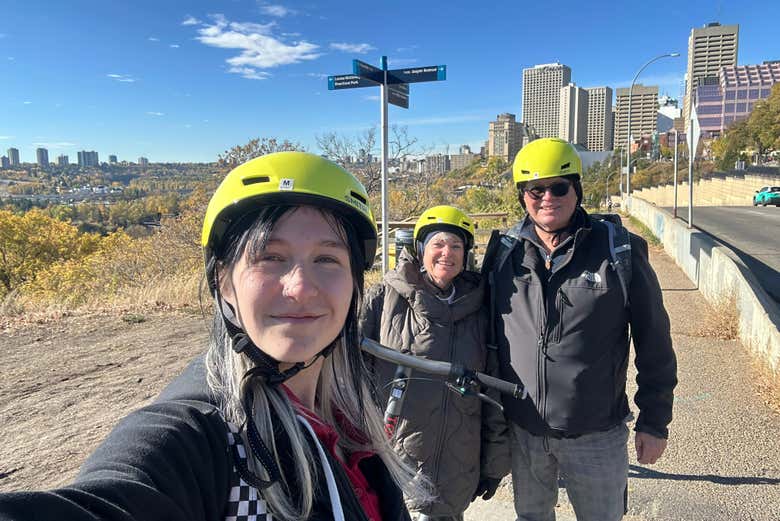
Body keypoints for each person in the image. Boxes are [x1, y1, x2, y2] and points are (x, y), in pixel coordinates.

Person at [0, 151, 429, 521]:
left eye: (327, 259)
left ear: (355, 280)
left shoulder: (351, 411)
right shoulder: (200, 435)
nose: (299, 286)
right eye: (270, 257)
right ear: (224, 281)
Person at [482, 138, 677, 521]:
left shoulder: (618, 250)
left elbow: (654, 340)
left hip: (596, 434)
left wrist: (655, 421)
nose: (547, 197)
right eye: (535, 189)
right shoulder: (504, 252)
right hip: (524, 431)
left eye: (559, 187)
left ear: (577, 190)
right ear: (522, 196)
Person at [361, 205, 510, 521]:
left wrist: (494, 463)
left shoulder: (480, 308)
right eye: (437, 244)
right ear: (419, 250)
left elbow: (491, 390)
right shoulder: (385, 298)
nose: (447, 253)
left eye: (456, 245)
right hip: (394, 460)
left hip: (458, 468)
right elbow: (351, 373)